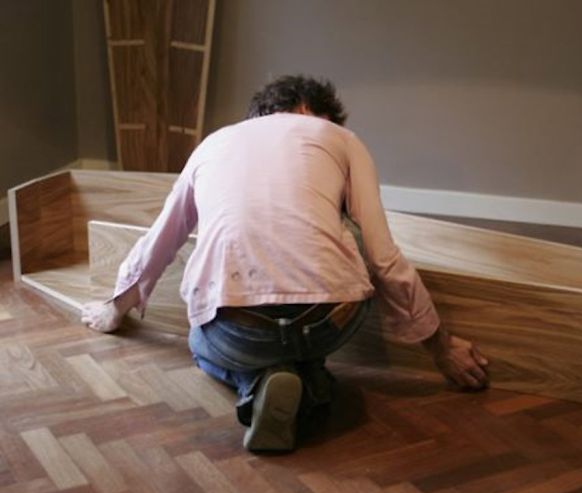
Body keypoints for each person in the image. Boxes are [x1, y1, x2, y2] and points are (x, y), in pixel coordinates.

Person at [81, 75, 489, 452]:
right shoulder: (342, 139)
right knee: (304, 337)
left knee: (199, 340)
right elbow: (384, 258)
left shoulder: (213, 143)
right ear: (310, 110)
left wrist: (115, 308)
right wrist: (441, 347)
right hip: (330, 321)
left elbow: (162, 238)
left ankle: (260, 384)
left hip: (239, 331)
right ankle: (307, 383)